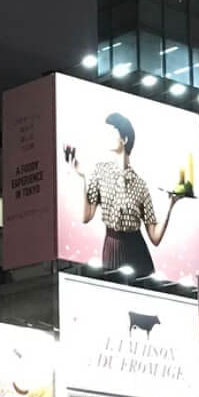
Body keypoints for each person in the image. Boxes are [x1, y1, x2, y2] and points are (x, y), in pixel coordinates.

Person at [71, 111, 186, 275]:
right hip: (112, 246)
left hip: (137, 250)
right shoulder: (100, 172)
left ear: (124, 139)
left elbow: (155, 237)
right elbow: (86, 216)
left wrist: (170, 204)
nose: (107, 136)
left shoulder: (140, 185)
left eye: (112, 132)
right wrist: (82, 179)